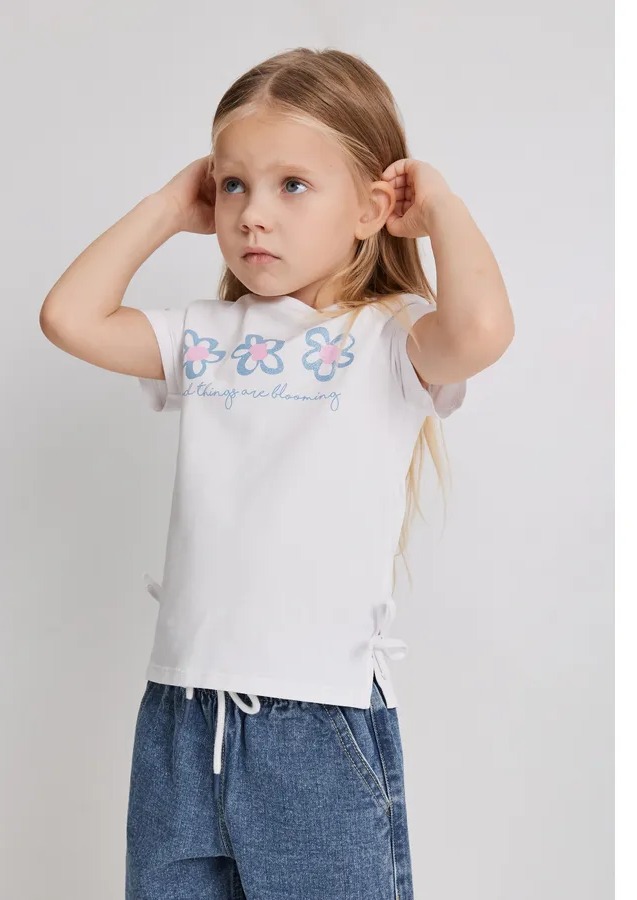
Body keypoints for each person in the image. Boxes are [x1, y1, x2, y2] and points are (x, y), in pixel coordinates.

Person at [40, 47, 514, 900]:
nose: (253, 214)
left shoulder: (389, 339)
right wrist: (166, 207)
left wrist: (440, 204)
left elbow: (480, 330)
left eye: (292, 185)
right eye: (234, 185)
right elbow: (69, 317)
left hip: (317, 722)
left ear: (373, 207)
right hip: (182, 716)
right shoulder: (206, 334)